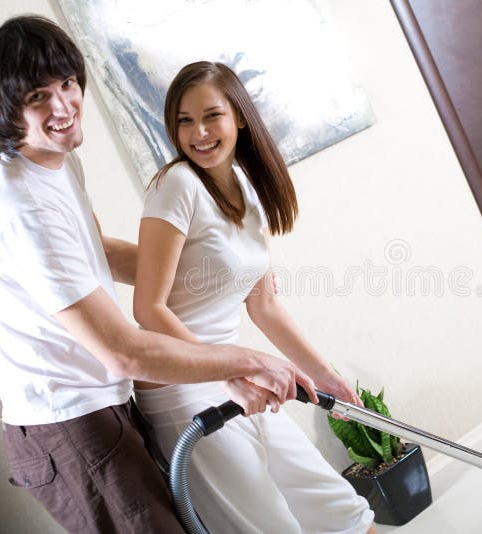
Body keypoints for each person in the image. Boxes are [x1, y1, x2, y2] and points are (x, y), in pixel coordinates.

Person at [0, 16, 316, 533]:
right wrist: (247, 362)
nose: (63, 107)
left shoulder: (52, 158)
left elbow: (91, 250)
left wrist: (205, 274)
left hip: (103, 401)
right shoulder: (23, 209)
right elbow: (124, 349)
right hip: (67, 420)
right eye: (38, 96)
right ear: (0, 110)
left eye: (66, 83)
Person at [133, 61, 377, 534]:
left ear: (240, 117)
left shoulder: (247, 189)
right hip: (183, 389)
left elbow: (262, 303)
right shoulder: (176, 186)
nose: (199, 132)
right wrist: (226, 372)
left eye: (212, 116)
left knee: (342, 513)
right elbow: (148, 307)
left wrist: (327, 377)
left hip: (239, 374)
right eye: (184, 120)